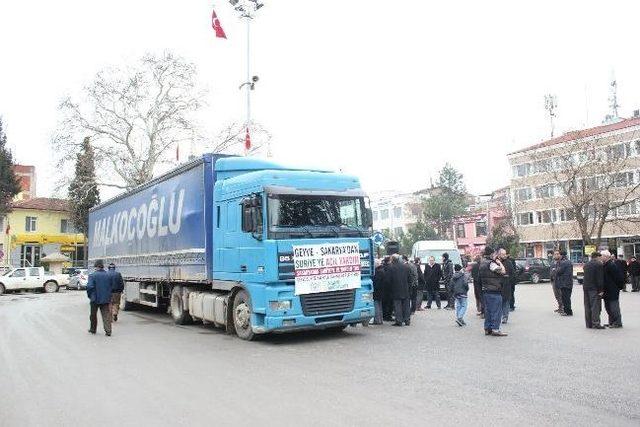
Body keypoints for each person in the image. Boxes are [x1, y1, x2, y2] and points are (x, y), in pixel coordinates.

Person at [478, 246, 508, 336]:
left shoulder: (482, 263)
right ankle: (495, 329)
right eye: (494, 253)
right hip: (494, 290)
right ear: (491, 254)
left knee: (488, 311)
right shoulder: (491, 263)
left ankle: (488, 328)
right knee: (496, 311)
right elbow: (503, 271)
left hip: (485, 290)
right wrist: (499, 263)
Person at [86, 259, 114, 336]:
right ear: (102, 267)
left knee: (93, 315)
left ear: (96, 267)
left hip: (94, 299)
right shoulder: (108, 275)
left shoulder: (92, 275)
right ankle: (108, 331)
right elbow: (111, 287)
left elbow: (89, 287)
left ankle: (93, 329)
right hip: (105, 298)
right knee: (106, 315)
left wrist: (90, 295)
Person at [582, 252, 605, 329]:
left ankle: (589, 324)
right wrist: (601, 289)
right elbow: (599, 278)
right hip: (594, 288)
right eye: (600, 257)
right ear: (597, 257)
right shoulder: (599, 265)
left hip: (586, 287)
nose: (601, 259)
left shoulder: (586, 264)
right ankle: (596, 323)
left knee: (587, 306)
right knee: (595, 306)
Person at [388, 254, 412, 326]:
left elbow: (389, 280)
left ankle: (399, 321)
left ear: (392, 260)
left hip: (395, 289)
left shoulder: (391, 268)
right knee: (406, 306)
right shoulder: (406, 267)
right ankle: (407, 320)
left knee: (397, 306)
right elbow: (410, 279)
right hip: (405, 289)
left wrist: (390, 288)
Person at [602, 250, 624, 328]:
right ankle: (611, 322)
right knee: (608, 307)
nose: (601, 257)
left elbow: (619, 278)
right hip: (606, 290)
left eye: (602, 256)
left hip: (612, 290)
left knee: (614, 307)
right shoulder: (605, 265)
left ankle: (617, 322)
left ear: (606, 256)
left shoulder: (612, 265)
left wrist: (618, 287)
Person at [553, 250, 574, 316]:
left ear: (561, 255)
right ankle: (568, 311)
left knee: (565, 298)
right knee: (567, 297)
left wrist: (555, 270)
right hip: (569, 282)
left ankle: (568, 311)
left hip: (564, 283)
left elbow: (559, 271)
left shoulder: (563, 263)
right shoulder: (569, 262)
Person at [500, 250, 517, 324]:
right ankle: (500, 316)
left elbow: (513, 274)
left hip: (507, 286)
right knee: (500, 302)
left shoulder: (509, 263)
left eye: (505, 254)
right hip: (498, 286)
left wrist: (509, 280)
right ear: (499, 254)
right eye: (502, 254)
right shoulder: (496, 263)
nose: (504, 255)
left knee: (506, 302)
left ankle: (505, 317)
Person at [372, 258, 389, 325]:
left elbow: (377, 282)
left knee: (376, 305)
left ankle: (377, 320)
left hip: (377, 291)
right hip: (381, 291)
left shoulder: (378, 272)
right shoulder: (382, 270)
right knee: (379, 306)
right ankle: (380, 319)